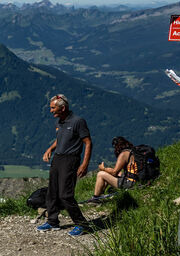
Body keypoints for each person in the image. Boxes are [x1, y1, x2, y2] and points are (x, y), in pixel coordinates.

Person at [38, 94, 91, 236]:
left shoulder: (78, 121)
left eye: (53, 108)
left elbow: (88, 142)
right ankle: (52, 221)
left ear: (63, 108)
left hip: (70, 160)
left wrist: (85, 163)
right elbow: (60, 139)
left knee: (65, 194)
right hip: (58, 159)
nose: (50, 111)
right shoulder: (60, 122)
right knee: (52, 191)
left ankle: (82, 224)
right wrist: (50, 149)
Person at [87, 137, 137, 201]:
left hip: (130, 183)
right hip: (137, 180)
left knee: (100, 174)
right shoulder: (133, 151)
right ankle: (101, 193)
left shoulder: (124, 154)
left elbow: (114, 172)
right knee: (113, 172)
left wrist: (103, 168)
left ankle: (96, 198)